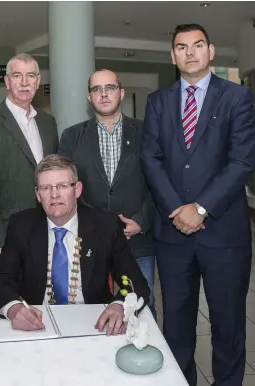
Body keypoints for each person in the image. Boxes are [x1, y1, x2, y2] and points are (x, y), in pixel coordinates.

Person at [140, 23, 255, 386]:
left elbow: (242, 162)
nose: (190, 52)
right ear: (172, 56)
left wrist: (200, 208)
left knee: (228, 327)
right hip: (173, 237)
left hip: (225, 237)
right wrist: (179, 210)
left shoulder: (238, 98)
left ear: (211, 51)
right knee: (176, 329)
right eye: (181, 47)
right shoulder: (157, 101)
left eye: (197, 45)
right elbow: (151, 159)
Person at [0, 154, 150, 334]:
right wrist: (14, 309)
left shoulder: (105, 226)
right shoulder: (21, 226)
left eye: (63, 186)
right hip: (37, 323)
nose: (54, 194)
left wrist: (120, 306)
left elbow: (136, 282)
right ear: (37, 194)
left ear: (77, 189)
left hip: (95, 323)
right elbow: (0, 281)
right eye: (46, 188)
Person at [59, 69, 157, 319]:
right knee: (89, 311)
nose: (103, 94)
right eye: (96, 89)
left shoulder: (147, 132)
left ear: (121, 92)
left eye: (110, 88)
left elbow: (158, 183)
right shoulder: (71, 136)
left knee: (140, 307)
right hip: (89, 240)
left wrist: (141, 221)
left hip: (137, 240)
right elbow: (66, 187)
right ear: (89, 97)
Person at [0, 53, 59, 266]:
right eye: (17, 75)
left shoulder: (48, 123)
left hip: (48, 233)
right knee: (8, 299)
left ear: (37, 82)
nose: (25, 82)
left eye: (30, 76)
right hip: (7, 239)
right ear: (7, 82)